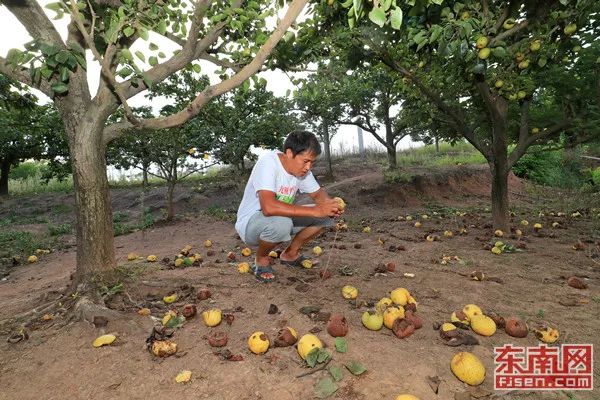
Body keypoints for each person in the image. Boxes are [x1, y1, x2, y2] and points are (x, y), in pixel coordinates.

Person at [235, 130, 343, 282]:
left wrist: (330, 206)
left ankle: (290, 254)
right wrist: (315, 210)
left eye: (312, 162)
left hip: (279, 220)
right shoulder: (268, 163)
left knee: (324, 216)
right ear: (289, 153)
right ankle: (261, 259)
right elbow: (268, 207)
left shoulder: (302, 171)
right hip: (250, 225)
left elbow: (319, 195)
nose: (308, 167)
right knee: (282, 222)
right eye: (306, 161)